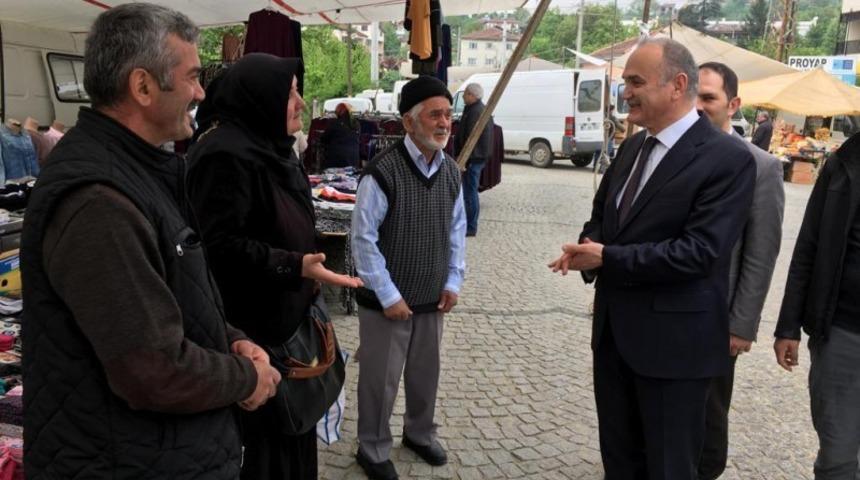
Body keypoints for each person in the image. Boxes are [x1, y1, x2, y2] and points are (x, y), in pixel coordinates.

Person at [20, 4, 281, 479]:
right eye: (193, 77)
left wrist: (231, 340)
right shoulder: (99, 202)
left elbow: (173, 298)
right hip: (126, 462)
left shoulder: (136, 171)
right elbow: (152, 369)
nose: (202, 93)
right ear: (142, 87)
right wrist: (247, 378)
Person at [548, 38, 755, 478]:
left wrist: (607, 257)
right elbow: (602, 219)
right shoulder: (632, 148)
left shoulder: (728, 159)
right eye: (626, 82)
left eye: (636, 82)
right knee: (620, 463)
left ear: (678, 85)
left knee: (668, 468)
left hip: (675, 353)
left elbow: (700, 253)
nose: (626, 93)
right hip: (614, 341)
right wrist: (589, 245)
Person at [186, 53, 363, 480]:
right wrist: (294, 265)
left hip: (284, 322)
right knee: (266, 452)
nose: (301, 103)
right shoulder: (223, 154)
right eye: (290, 93)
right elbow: (217, 246)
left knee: (293, 439)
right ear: (259, 98)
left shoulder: (270, 147)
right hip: (254, 334)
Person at [352, 75, 467, 480]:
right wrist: (387, 295)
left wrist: (453, 282)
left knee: (425, 375)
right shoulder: (381, 173)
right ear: (408, 122)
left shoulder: (452, 172)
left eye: (448, 114)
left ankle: (419, 434)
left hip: (430, 298)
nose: (444, 122)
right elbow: (363, 241)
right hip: (388, 303)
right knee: (379, 382)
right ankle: (372, 447)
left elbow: (456, 234)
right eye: (435, 114)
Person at [695, 62, 785, 480]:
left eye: (708, 98)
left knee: (710, 413)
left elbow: (761, 252)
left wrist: (742, 324)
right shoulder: (672, 151)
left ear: (733, 105)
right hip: (667, 310)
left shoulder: (761, 166)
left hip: (718, 317)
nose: (698, 106)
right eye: (692, 94)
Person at [774, 129, 860, 479]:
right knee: (837, 456)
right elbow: (808, 245)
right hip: (842, 333)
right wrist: (788, 326)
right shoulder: (845, 163)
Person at [454, 82, 494, 237]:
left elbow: (470, 138)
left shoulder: (476, 111)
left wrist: (465, 158)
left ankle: (471, 225)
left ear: (472, 95)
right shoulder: (474, 109)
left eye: (465, 94)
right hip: (475, 157)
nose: (463, 97)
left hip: (473, 158)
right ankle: (469, 224)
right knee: (469, 191)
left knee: (470, 192)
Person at [320, 102, 360, 169]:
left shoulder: (334, 123)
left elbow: (324, 139)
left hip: (336, 160)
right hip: (354, 159)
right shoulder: (356, 124)